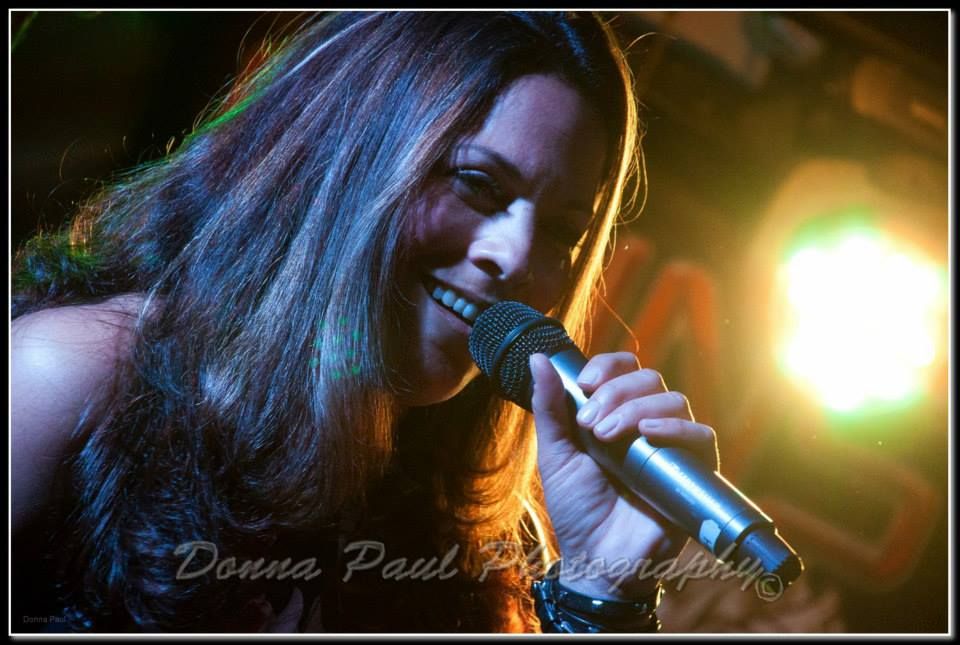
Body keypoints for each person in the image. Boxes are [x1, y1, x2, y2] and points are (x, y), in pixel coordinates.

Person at [12, 11, 719, 633]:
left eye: (563, 232)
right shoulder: (75, 376)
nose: (517, 257)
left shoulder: (454, 532)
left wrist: (602, 592)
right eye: (478, 184)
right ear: (351, 162)